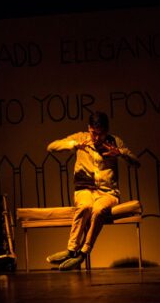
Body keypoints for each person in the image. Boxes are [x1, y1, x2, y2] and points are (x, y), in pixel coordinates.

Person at [45, 111, 140, 271]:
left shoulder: (114, 142)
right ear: (89, 128)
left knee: (98, 210)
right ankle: (71, 250)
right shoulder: (81, 137)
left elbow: (136, 163)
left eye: (100, 134)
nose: (96, 138)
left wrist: (120, 153)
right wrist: (74, 144)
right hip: (85, 190)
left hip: (108, 193)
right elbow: (51, 147)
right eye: (93, 133)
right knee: (84, 207)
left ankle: (83, 252)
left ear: (106, 131)